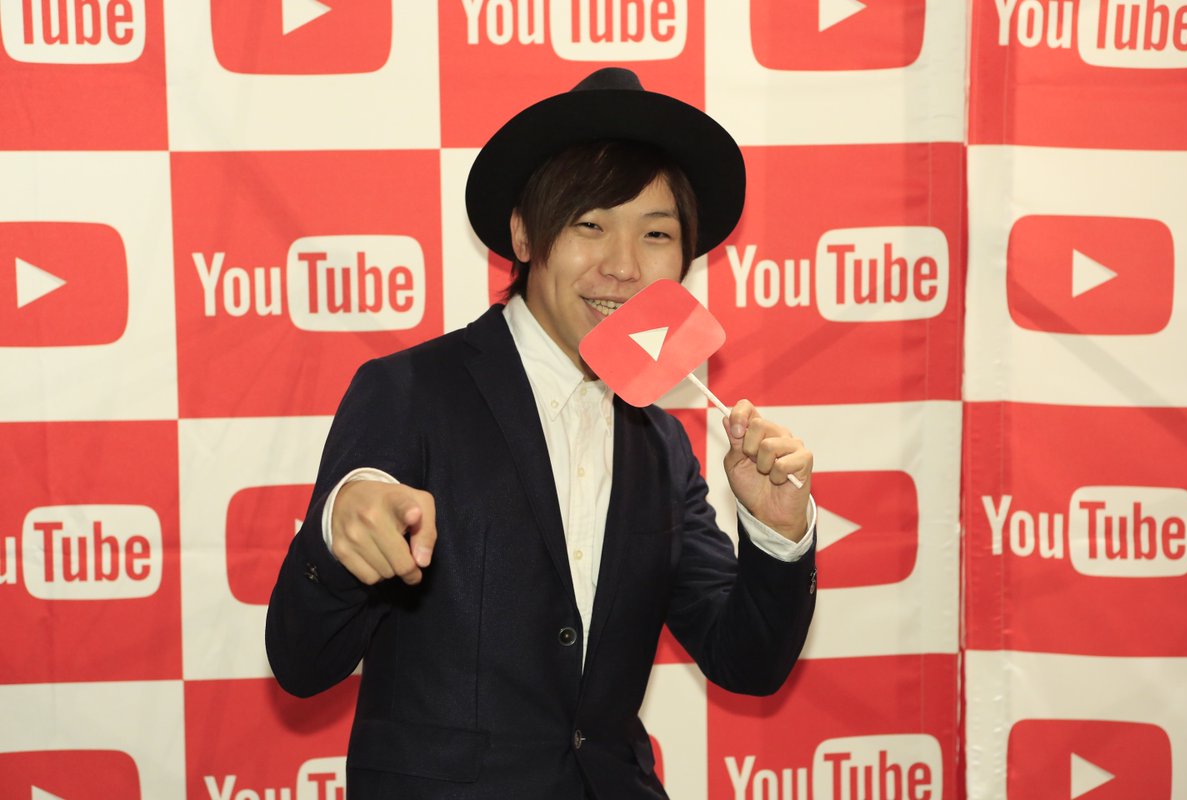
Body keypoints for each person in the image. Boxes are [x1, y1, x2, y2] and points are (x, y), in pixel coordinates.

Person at [266, 68, 818, 799]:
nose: (623, 265)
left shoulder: (661, 444)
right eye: (590, 224)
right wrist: (342, 532)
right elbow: (303, 663)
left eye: (656, 233)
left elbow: (746, 661)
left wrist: (779, 535)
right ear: (524, 234)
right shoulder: (410, 391)